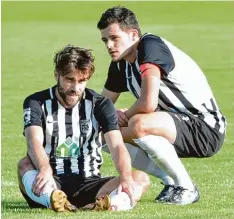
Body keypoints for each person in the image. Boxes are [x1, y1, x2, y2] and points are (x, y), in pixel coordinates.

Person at [96, 6, 226, 205]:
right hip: (172, 124)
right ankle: (171, 181)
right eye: (105, 40)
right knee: (102, 132)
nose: (109, 45)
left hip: (206, 127)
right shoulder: (121, 64)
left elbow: (148, 103)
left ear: (133, 35)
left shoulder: (150, 46)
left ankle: (187, 187)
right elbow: (100, 106)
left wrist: (124, 115)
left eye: (114, 38)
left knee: (138, 124)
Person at [17, 45, 150, 212]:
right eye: (69, 79)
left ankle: (104, 206)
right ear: (56, 75)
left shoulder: (100, 104)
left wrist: (125, 177)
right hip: (50, 180)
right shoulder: (36, 102)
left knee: (140, 178)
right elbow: (33, 141)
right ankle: (53, 199)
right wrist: (44, 169)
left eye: (82, 81)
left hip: (90, 183)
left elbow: (116, 145)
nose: (76, 88)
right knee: (24, 165)